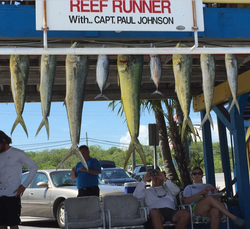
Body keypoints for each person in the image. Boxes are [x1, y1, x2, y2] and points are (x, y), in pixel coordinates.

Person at [182, 166, 248, 228]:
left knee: (215, 211)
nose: (197, 175)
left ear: (202, 175)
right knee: (209, 198)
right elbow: (186, 201)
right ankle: (233, 218)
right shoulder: (189, 187)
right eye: (194, 174)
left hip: (210, 208)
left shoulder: (208, 185)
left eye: (199, 173)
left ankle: (233, 219)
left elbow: (218, 200)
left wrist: (214, 189)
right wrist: (201, 193)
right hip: (196, 208)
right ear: (192, 176)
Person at [0, 130, 38, 229]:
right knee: (1, 224)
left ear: (3, 141)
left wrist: (24, 185)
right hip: (0, 194)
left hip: (12, 194)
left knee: (13, 224)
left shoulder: (17, 153)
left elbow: (34, 167)